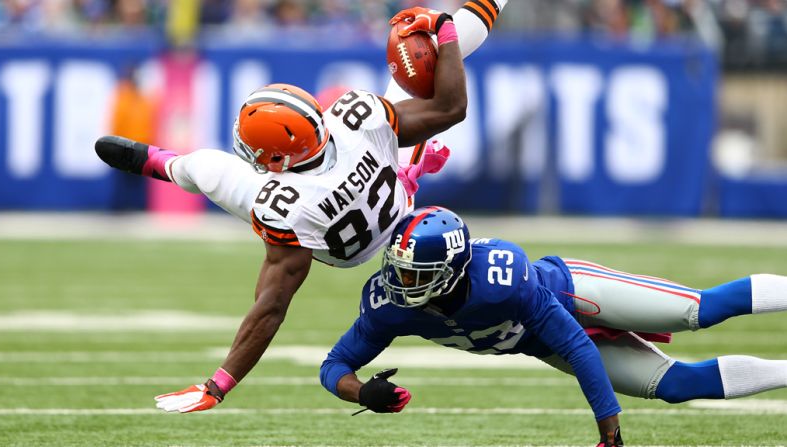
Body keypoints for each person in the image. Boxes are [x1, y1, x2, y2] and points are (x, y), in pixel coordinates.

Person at [94, 1, 509, 413]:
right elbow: (451, 107)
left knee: (208, 168)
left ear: (278, 161)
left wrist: (219, 383)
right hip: (392, 187)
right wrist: (445, 30)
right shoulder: (357, 120)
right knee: (427, 56)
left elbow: (270, 307)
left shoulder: (288, 206)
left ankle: (163, 162)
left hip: (343, 234)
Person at [320, 206, 787, 447]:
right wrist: (361, 393)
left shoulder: (499, 279)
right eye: (399, 269)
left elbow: (578, 345)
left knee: (698, 310)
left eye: (415, 274)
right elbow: (333, 365)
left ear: (453, 269)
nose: (401, 283)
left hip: (574, 291)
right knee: (675, 386)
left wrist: (609, 430)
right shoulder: (390, 305)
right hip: (540, 343)